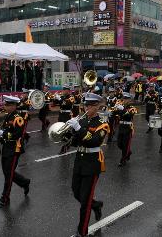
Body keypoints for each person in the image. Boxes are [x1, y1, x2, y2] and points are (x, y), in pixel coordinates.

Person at [67, 93, 109, 237]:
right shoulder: (83, 121)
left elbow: (94, 141)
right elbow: (75, 141)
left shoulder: (102, 124)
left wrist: (78, 128)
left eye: (90, 106)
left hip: (92, 163)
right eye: (86, 105)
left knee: (85, 201)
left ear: (97, 107)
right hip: (79, 161)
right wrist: (67, 135)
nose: (87, 108)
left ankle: (82, 232)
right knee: (75, 191)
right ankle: (96, 205)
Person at [0, 95, 30, 209]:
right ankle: (24, 182)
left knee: (8, 175)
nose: (5, 106)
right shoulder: (8, 116)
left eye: (8, 105)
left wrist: (3, 134)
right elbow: (7, 130)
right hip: (7, 147)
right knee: (7, 172)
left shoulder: (18, 118)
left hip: (14, 148)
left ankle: (4, 199)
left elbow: (19, 134)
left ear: (14, 106)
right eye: (5, 104)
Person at [112, 92, 137, 167]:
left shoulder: (132, 108)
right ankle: (128, 152)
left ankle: (123, 160)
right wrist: (113, 111)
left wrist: (122, 109)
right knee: (119, 144)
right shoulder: (121, 106)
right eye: (124, 99)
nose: (125, 100)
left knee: (125, 144)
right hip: (121, 127)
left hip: (128, 128)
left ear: (129, 100)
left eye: (126, 99)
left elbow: (129, 115)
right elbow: (115, 114)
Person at [54, 85, 74, 154]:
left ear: (68, 90)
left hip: (67, 115)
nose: (63, 91)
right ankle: (68, 141)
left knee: (65, 131)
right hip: (61, 115)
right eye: (63, 89)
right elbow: (55, 104)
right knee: (61, 130)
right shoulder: (62, 97)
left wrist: (59, 99)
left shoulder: (71, 97)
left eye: (65, 90)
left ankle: (64, 147)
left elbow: (66, 104)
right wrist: (55, 98)